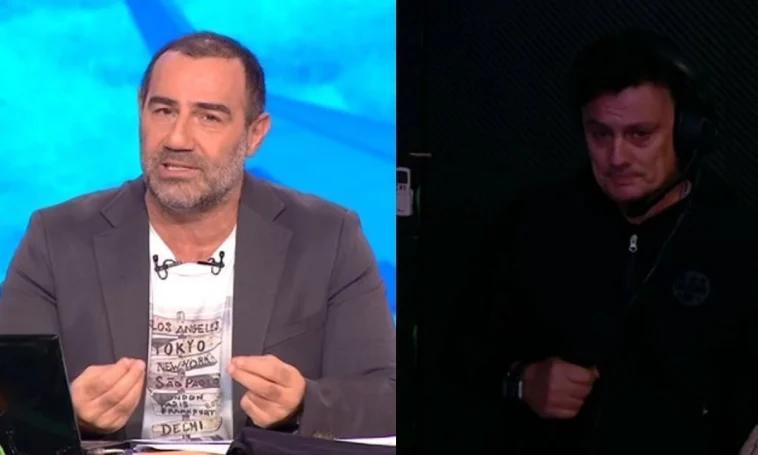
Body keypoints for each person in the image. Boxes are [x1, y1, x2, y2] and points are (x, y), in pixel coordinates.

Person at [0, 31, 395, 442]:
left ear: (255, 134)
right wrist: (66, 416)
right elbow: (10, 406)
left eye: (209, 117)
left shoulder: (328, 238)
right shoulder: (57, 238)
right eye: (164, 110)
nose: (177, 139)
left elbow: (386, 397)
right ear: (140, 110)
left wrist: (303, 403)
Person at [451, 29, 758, 454]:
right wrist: (520, 381)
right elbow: (457, 360)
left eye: (640, 135)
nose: (617, 158)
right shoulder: (533, 223)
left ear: (687, 131)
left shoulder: (739, 238)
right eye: (600, 134)